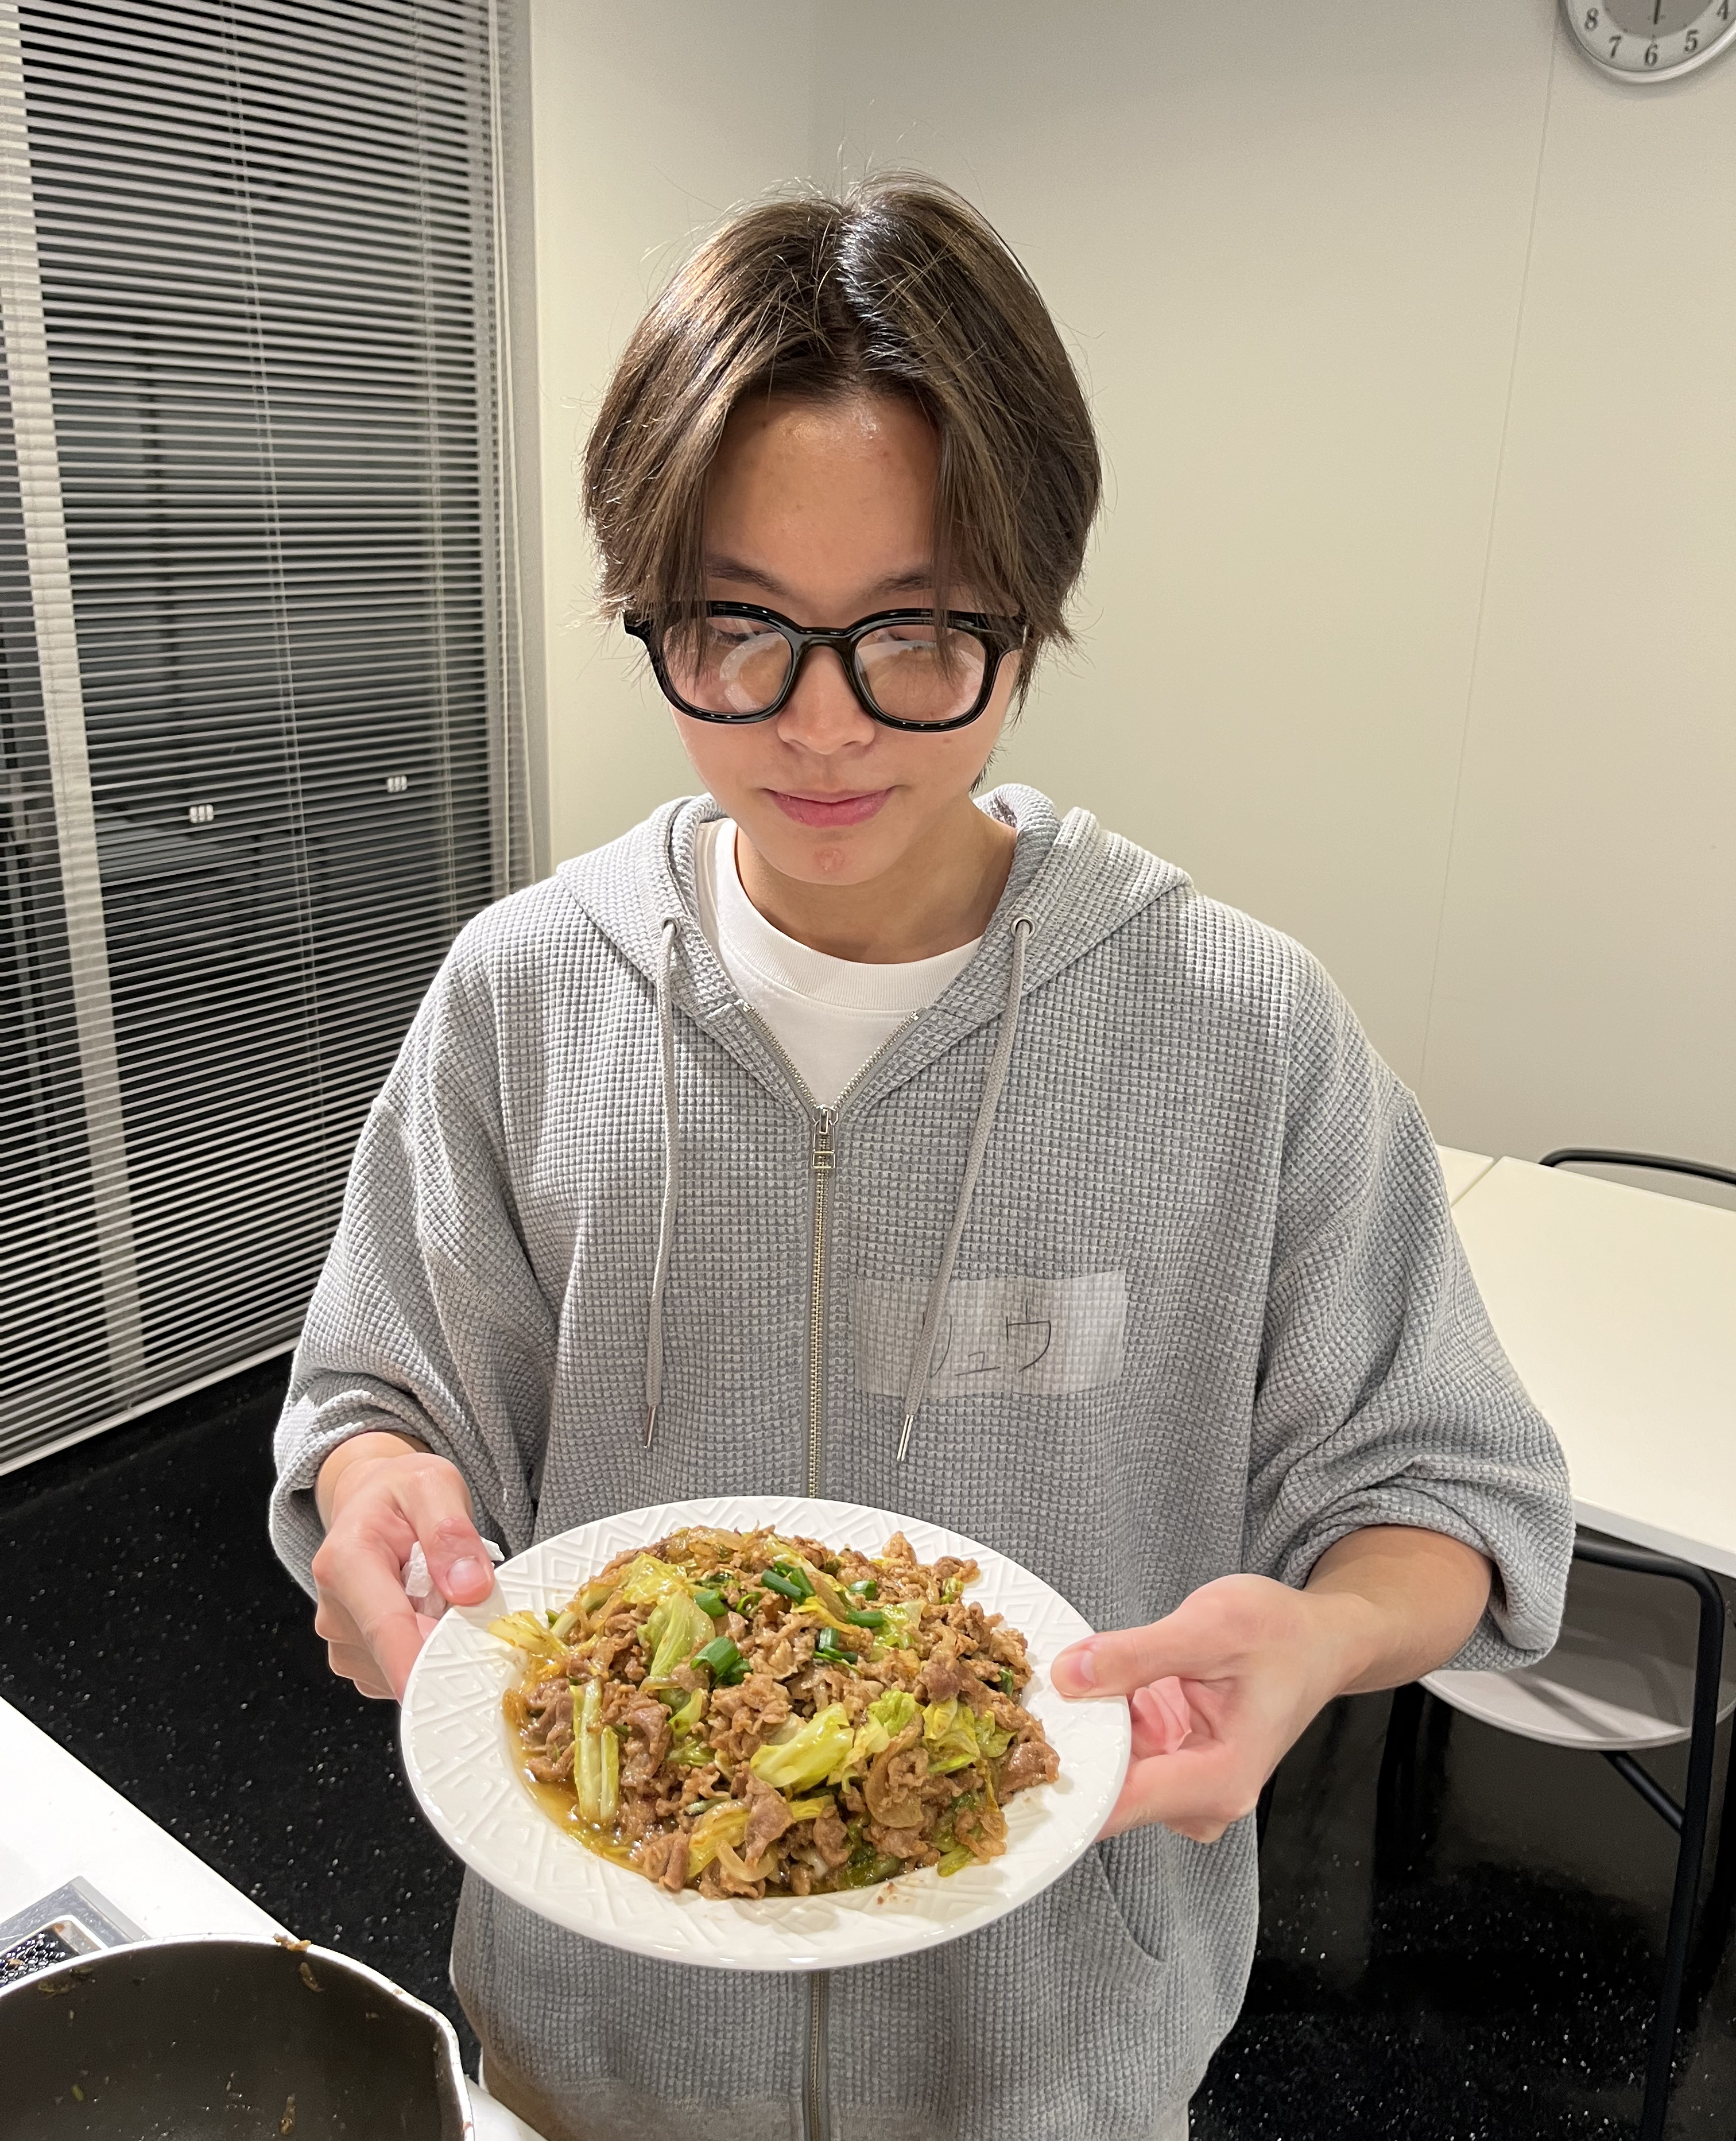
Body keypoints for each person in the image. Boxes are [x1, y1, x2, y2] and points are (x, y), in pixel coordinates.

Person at [271, 177, 1572, 2141]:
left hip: (1048, 2059)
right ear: (647, 607)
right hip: (600, 2034)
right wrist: (380, 1494)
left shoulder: (1238, 1028)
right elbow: (383, 1394)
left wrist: (1329, 1635)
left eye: (918, 631)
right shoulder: (524, 993)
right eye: (739, 627)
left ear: (1027, 615)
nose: (822, 726)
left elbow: (1445, 1486)